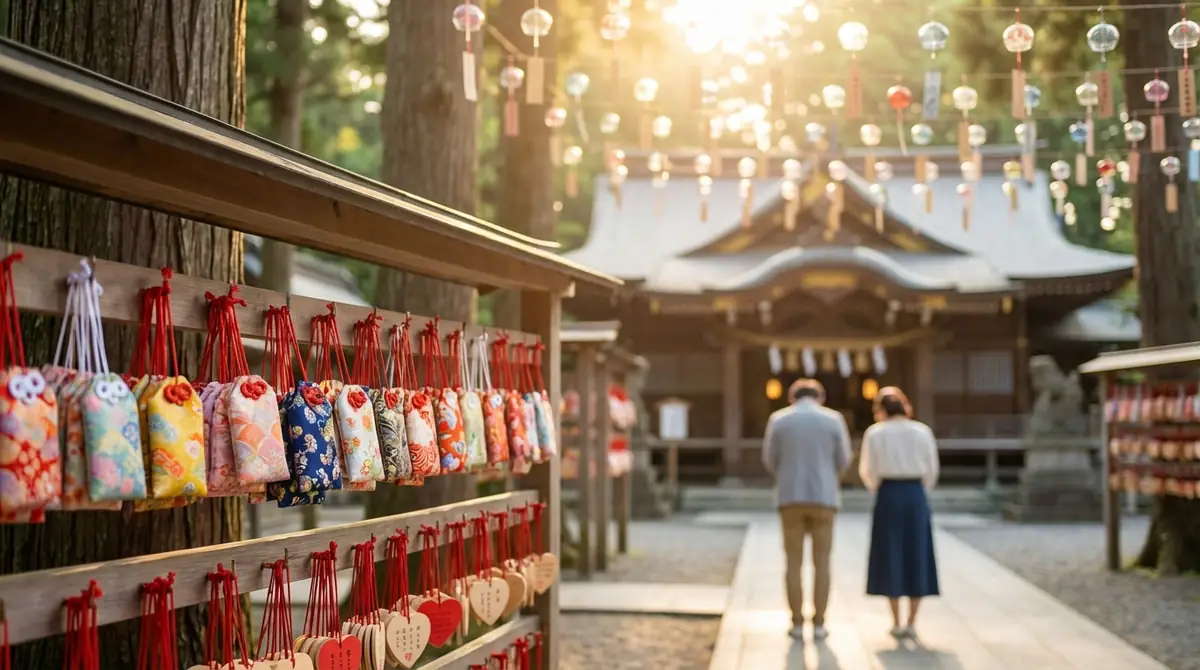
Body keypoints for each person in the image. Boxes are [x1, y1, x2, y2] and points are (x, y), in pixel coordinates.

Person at [762, 378, 852, 641]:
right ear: (820, 397)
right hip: (824, 497)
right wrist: (829, 476)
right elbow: (844, 459)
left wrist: (785, 475)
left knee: (793, 562)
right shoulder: (833, 420)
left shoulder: (779, 420)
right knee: (822, 562)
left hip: (790, 496)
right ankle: (820, 621)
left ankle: (797, 622)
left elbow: (769, 458)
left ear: (792, 397)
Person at [858, 387, 941, 639]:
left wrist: (878, 488)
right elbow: (932, 468)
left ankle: (895, 621)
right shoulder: (922, 431)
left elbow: (868, 470)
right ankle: (912, 622)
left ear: (880, 410)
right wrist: (920, 489)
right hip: (915, 493)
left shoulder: (875, 433)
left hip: (889, 493)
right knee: (917, 553)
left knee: (890, 553)